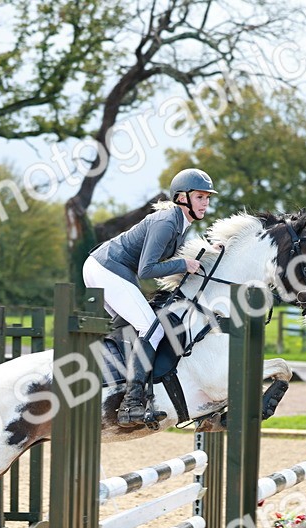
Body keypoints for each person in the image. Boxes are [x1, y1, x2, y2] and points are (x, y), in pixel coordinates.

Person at [83, 168, 218, 427]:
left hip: (107, 268)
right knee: (151, 328)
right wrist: (183, 265)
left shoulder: (180, 223)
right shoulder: (167, 222)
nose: (206, 203)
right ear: (182, 197)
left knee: (135, 329)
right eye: (200, 197)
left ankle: (116, 392)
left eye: (207, 198)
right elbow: (148, 269)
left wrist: (208, 250)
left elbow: (172, 253)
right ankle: (131, 404)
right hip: (106, 268)